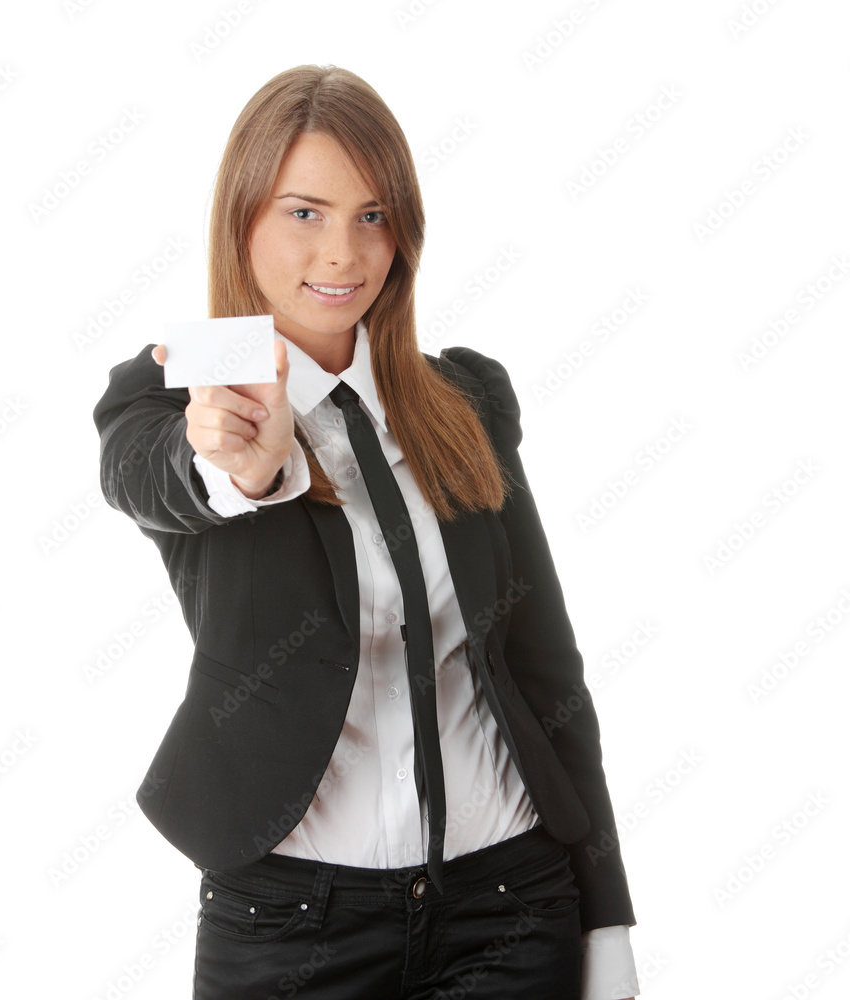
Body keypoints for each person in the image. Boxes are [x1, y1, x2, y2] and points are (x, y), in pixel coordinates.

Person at [93, 64, 638, 1000]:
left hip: (510, 902)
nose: (342, 253)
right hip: (288, 924)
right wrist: (242, 467)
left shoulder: (466, 400)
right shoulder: (177, 398)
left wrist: (606, 914)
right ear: (244, 218)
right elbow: (146, 476)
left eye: (372, 215)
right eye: (304, 212)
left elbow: (548, 670)